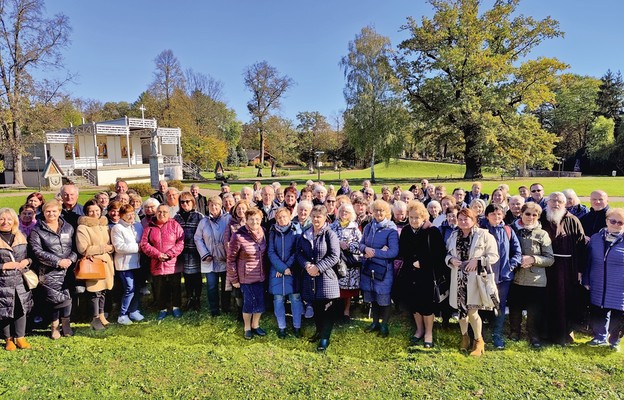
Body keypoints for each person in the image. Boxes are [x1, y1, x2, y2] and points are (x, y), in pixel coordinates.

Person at [446, 208, 499, 356]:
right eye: (460, 219)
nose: (463, 222)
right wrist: (450, 260)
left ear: (473, 219)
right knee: (460, 311)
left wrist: (478, 261)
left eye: (466, 219)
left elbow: (494, 256)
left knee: (472, 311)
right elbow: (447, 254)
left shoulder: (484, 235)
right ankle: (464, 337)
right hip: (457, 279)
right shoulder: (454, 235)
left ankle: (478, 340)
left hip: (474, 280)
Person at [395, 201, 447, 348]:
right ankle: (419, 330)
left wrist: (423, 262)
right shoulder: (406, 231)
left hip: (427, 275)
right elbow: (403, 251)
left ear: (424, 217)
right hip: (410, 274)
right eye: (411, 217)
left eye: (417, 217)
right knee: (414, 304)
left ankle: (429, 333)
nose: (413, 220)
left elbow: (439, 255)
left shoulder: (432, 231)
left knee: (426, 305)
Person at [539, 192, 586, 345]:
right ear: (548, 202)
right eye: (553, 201)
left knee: (564, 300)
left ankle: (564, 333)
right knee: (545, 298)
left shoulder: (573, 220)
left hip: (566, 268)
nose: (556, 204)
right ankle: (544, 332)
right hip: (545, 266)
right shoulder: (541, 218)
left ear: (565, 204)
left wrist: (579, 270)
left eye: (559, 201)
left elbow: (581, 246)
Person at [29, 199, 77, 339]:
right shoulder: (36, 231)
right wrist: (57, 261)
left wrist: (70, 260)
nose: (51, 214)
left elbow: (75, 248)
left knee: (68, 297)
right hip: (49, 271)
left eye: (54, 211)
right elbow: (37, 251)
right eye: (48, 211)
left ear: (59, 212)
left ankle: (66, 323)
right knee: (54, 300)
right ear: (43, 213)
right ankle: (55, 326)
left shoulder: (68, 227)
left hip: (68, 269)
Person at [508, 202, 554, 348]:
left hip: (536, 280)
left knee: (534, 311)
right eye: (527, 213)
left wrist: (533, 259)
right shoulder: (511, 230)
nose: (531, 217)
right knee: (515, 308)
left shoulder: (542, 234)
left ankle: (533, 335)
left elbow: (550, 259)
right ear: (521, 213)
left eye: (535, 215)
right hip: (515, 277)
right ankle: (514, 332)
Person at [297, 205, 340, 351]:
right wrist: (307, 265)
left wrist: (319, 267)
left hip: (326, 277)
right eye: (314, 216)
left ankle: (325, 338)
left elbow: (334, 256)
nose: (316, 219)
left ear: (325, 217)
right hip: (310, 276)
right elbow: (299, 254)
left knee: (327, 307)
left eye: (319, 216)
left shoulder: (330, 234)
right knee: (316, 306)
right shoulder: (305, 233)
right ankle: (319, 331)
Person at [480, 204, 522, 349]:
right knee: (481, 304)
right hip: (484, 275)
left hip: (503, 276)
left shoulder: (508, 230)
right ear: (487, 216)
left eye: (499, 214)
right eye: (493, 214)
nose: (496, 217)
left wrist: (511, 265)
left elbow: (517, 251)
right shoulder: (480, 230)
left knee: (500, 305)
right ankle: (479, 335)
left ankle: (496, 334)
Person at [583, 207, 624, 351]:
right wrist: (586, 280)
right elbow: (588, 261)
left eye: (620, 223)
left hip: (619, 286)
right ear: (606, 220)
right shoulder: (595, 238)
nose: (616, 224)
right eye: (613, 221)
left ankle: (614, 341)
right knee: (598, 311)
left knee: (618, 314)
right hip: (598, 282)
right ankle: (600, 337)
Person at [359, 200, 399, 338]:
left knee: (384, 298)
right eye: (376, 210)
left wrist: (375, 252)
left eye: (381, 210)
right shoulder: (368, 227)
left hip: (383, 270)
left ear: (387, 212)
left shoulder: (391, 230)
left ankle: (384, 325)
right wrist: (366, 249)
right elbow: (361, 244)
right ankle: (375, 323)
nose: (378, 213)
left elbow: (393, 252)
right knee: (373, 296)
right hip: (369, 268)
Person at [227, 208, 268, 340]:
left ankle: (255, 325)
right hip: (246, 277)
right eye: (251, 219)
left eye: (257, 219)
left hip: (261, 275)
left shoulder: (263, 232)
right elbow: (231, 259)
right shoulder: (238, 236)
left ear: (261, 220)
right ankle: (247, 327)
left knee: (260, 303)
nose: (254, 221)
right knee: (249, 304)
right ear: (246, 220)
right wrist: (234, 279)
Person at [140, 204, 185, 320]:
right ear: (155, 213)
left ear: (169, 214)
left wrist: (170, 254)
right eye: (159, 211)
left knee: (175, 286)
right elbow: (144, 244)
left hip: (173, 262)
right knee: (159, 287)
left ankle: (176, 307)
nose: (162, 214)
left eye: (165, 212)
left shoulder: (175, 225)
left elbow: (181, 242)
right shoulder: (149, 227)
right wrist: (157, 254)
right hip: (157, 262)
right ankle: (162, 308)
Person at [76, 200, 115, 331]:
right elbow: (83, 249)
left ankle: (102, 315)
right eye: (91, 211)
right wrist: (104, 248)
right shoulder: (83, 228)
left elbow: (112, 244)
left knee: (103, 292)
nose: (94, 213)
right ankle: (95, 318)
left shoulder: (104, 226)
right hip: (93, 264)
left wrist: (110, 248)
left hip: (106, 263)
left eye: (97, 210)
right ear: (86, 212)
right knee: (95, 293)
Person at [0, 208, 34, 350]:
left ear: (14, 221)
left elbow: (32, 255)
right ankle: (8, 339)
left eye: (9, 219)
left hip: (20, 280)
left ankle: (20, 337)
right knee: (5, 310)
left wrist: (27, 261)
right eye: (2, 219)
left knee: (21, 308)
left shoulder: (21, 236)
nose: (5, 222)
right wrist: (3, 265)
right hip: (3, 281)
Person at [268, 207, 303, 338]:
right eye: (279, 217)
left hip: (292, 270)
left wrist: (287, 267)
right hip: (276, 271)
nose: (282, 219)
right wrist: (281, 268)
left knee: (295, 298)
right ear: (276, 219)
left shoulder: (296, 230)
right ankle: (281, 327)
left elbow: (297, 251)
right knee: (278, 299)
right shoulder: (272, 231)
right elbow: (270, 252)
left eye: (284, 217)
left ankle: (297, 326)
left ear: (289, 217)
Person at [195, 196, 231, 316]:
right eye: (211, 205)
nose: (214, 207)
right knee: (211, 286)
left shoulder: (228, 219)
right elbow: (197, 238)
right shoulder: (204, 221)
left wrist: (229, 252)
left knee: (226, 285)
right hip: (209, 259)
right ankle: (214, 309)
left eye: (216, 205)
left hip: (224, 258)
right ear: (208, 207)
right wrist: (205, 254)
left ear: (221, 206)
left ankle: (226, 307)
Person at [111, 204, 145, 325]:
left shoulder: (137, 225)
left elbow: (143, 239)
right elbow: (119, 247)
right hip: (125, 264)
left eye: (132, 214)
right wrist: (138, 247)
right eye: (127, 215)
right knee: (129, 288)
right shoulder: (117, 228)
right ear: (121, 216)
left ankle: (134, 310)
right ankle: (122, 314)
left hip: (137, 263)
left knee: (137, 287)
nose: (131, 216)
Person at [329, 203, 362, 323]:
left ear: (351, 214)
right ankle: (335, 311)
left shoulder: (355, 227)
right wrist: (338, 244)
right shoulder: (332, 226)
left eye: (346, 212)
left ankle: (346, 312)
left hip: (349, 263)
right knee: (335, 288)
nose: (344, 213)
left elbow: (360, 244)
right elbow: (327, 240)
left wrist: (348, 246)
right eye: (342, 211)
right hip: (335, 262)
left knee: (347, 290)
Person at [174, 192, 203, 311]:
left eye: (187, 201)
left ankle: (197, 298)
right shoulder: (176, 218)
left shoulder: (199, 216)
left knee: (196, 276)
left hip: (195, 251)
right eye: (182, 202)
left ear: (193, 202)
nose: (185, 204)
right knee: (186, 276)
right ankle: (190, 297)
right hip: (182, 252)